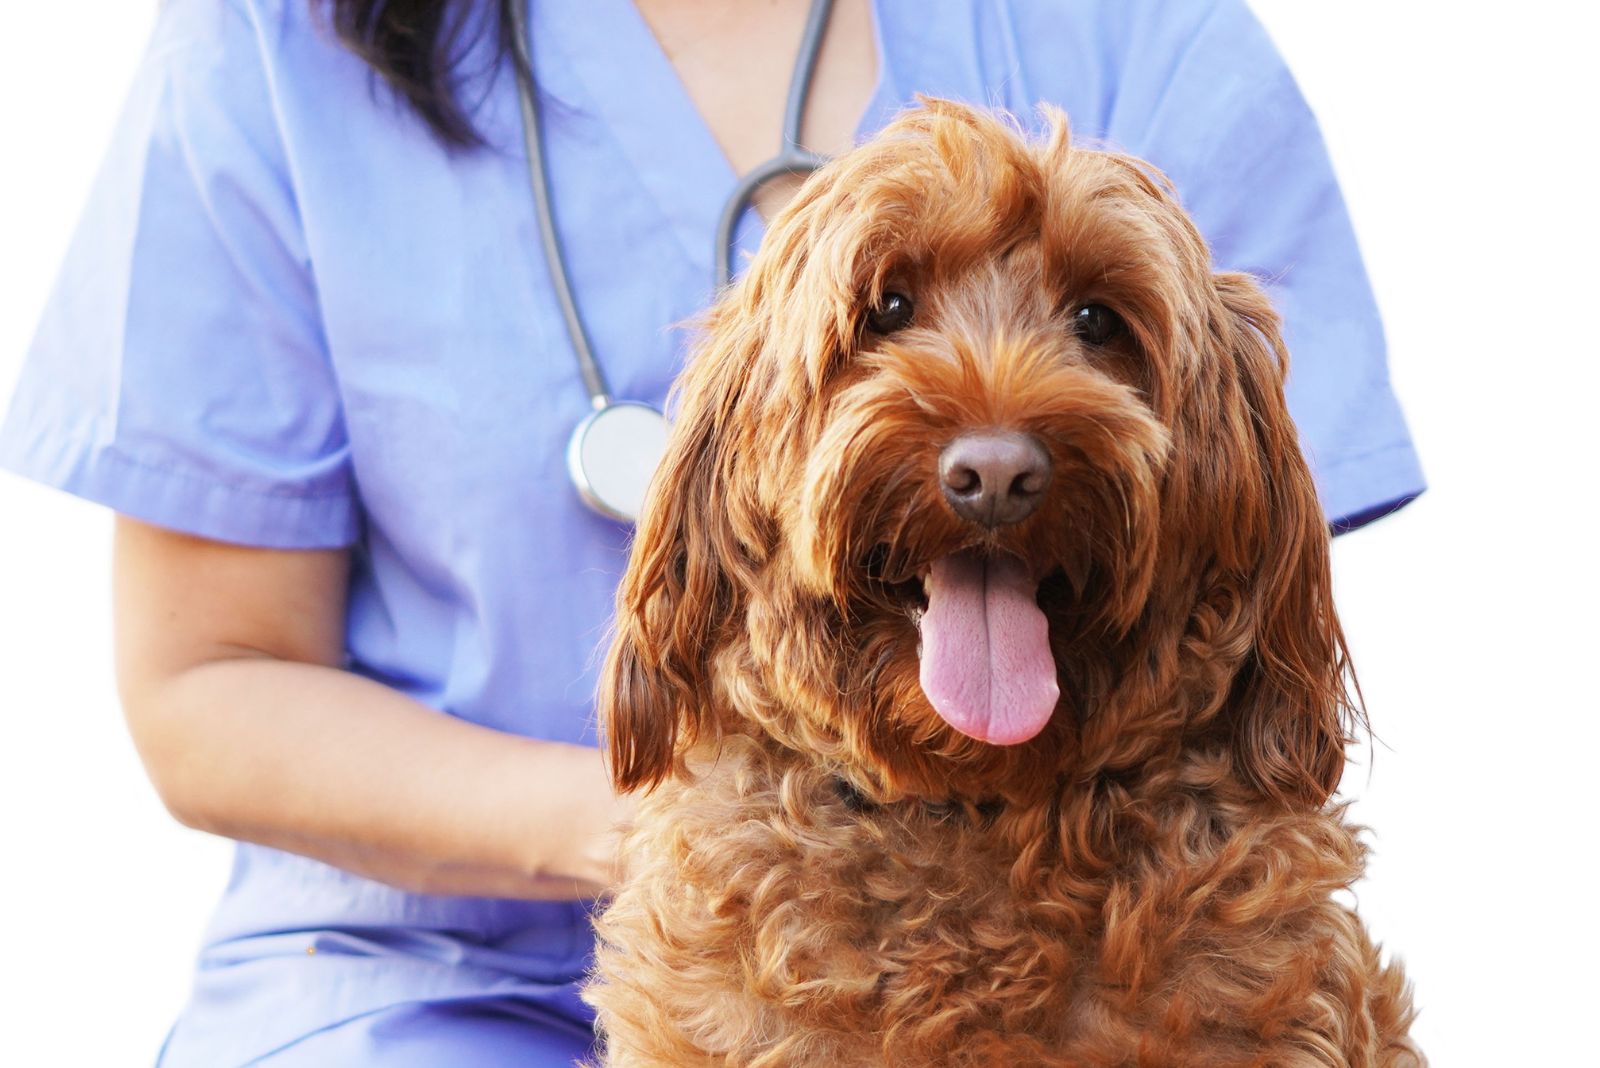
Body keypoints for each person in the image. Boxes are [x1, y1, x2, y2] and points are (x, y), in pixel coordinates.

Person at [0, 0, 1424, 1063]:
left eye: (1094, 324)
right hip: (404, 981)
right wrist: (668, 830)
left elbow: (1251, 595)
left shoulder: (1135, 32)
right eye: (887, 316)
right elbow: (204, 682)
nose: (995, 440)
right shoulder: (267, 46)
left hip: (1121, 900)